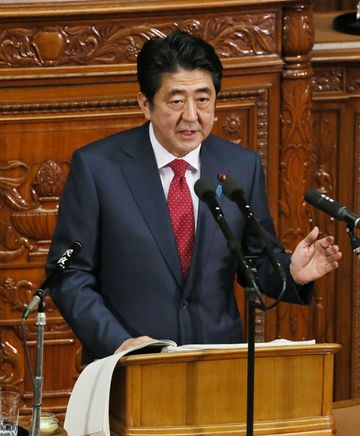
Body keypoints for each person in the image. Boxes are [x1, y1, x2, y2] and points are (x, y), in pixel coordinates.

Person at [47, 30, 341, 363]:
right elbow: (69, 275)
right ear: (146, 103)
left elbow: (254, 262)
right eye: (176, 101)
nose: (191, 116)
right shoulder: (98, 168)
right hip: (130, 365)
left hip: (216, 365)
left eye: (203, 99)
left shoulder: (240, 167)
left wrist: (292, 272)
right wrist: (120, 343)